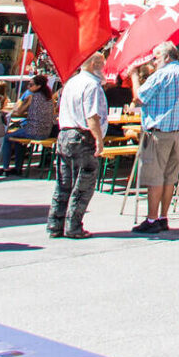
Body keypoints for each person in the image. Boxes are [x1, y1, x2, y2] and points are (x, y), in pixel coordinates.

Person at [131, 44, 179, 237]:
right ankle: (163, 216)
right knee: (170, 177)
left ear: (167, 57)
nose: (154, 61)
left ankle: (152, 219)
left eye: (157, 57)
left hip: (160, 132)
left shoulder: (161, 75)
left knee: (156, 176)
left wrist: (134, 75)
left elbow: (139, 97)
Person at [49, 48, 109, 240]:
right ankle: (73, 226)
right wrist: (99, 140)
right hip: (82, 136)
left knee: (64, 182)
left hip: (65, 133)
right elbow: (92, 116)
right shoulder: (92, 85)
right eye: (102, 64)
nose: (104, 68)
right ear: (93, 64)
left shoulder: (72, 82)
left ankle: (55, 224)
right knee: (83, 183)